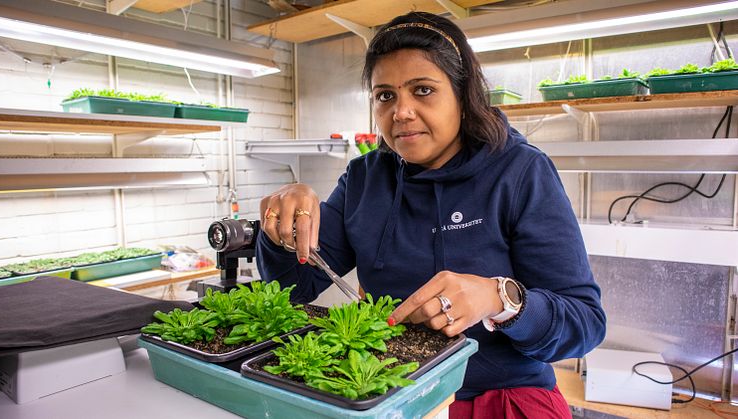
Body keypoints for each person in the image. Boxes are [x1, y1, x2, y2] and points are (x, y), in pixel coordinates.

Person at [256, 11, 606, 418]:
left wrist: (500, 298)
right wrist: (280, 228)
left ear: (463, 94)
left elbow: (584, 324)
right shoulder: (365, 179)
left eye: (422, 90)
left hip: (498, 397)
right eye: (385, 95)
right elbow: (293, 286)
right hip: (385, 391)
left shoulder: (519, 172)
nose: (400, 112)